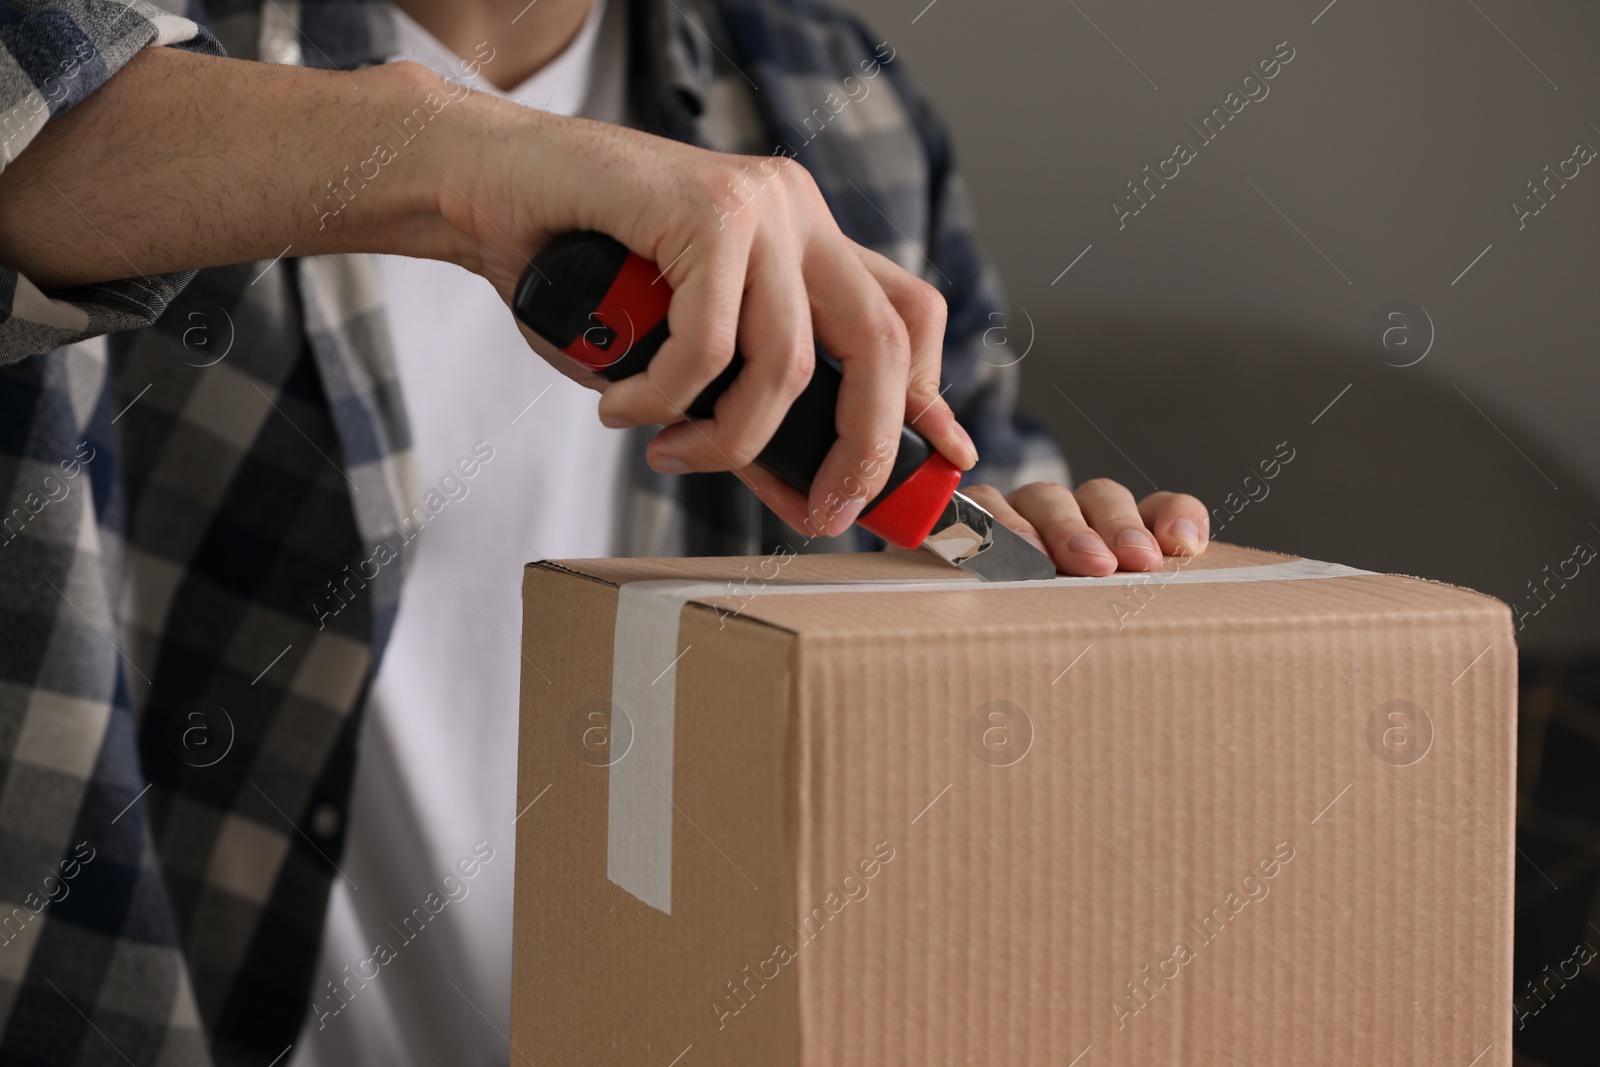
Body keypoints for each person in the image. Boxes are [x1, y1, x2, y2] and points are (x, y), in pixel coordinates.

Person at [0, 0, 1209, 1062]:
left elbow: (973, 476)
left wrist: (1050, 549)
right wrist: (452, 153)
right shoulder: (121, 42)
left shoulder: (832, 93)